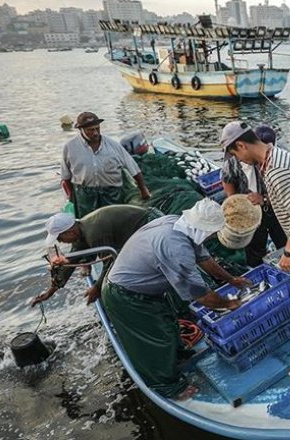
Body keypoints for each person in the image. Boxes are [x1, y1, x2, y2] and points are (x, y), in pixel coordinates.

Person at [101, 199, 250, 400]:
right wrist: (229, 304)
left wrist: (231, 279)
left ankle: (175, 357)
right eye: (213, 231)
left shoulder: (182, 226)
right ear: (203, 228)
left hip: (145, 290)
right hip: (125, 295)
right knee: (155, 338)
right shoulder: (174, 246)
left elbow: (205, 260)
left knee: (168, 324)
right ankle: (166, 386)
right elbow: (202, 295)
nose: (214, 235)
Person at [221, 121, 290, 376]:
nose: (237, 159)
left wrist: (289, 252)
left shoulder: (276, 170)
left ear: (241, 145)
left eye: (236, 153)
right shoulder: (273, 154)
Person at [33, 205, 163, 307]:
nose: (60, 242)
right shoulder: (81, 227)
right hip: (141, 228)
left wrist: (97, 287)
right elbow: (71, 261)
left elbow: (111, 263)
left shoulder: (95, 234)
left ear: (70, 232)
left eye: (60, 238)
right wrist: (50, 292)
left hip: (153, 224)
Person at [61, 112, 151, 218]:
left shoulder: (113, 145)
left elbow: (133, 168)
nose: (95, 133)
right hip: (85, 196)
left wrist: (143, 189)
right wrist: (71, 197)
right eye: (90, 130)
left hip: (112, 193)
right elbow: (66, 177)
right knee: (87, 225)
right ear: (81, 130)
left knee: (114, 222)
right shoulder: (70, 147)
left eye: (97, 128)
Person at [221, 125, 287, 267]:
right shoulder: (234, 160)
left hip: (276, 209)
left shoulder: (277, 161)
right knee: (255, 248)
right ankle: (258, 268)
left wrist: (264, 199)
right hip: (250, 211)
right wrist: (234, 201)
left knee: (284, 241)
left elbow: (286, 194)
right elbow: (227, 179)